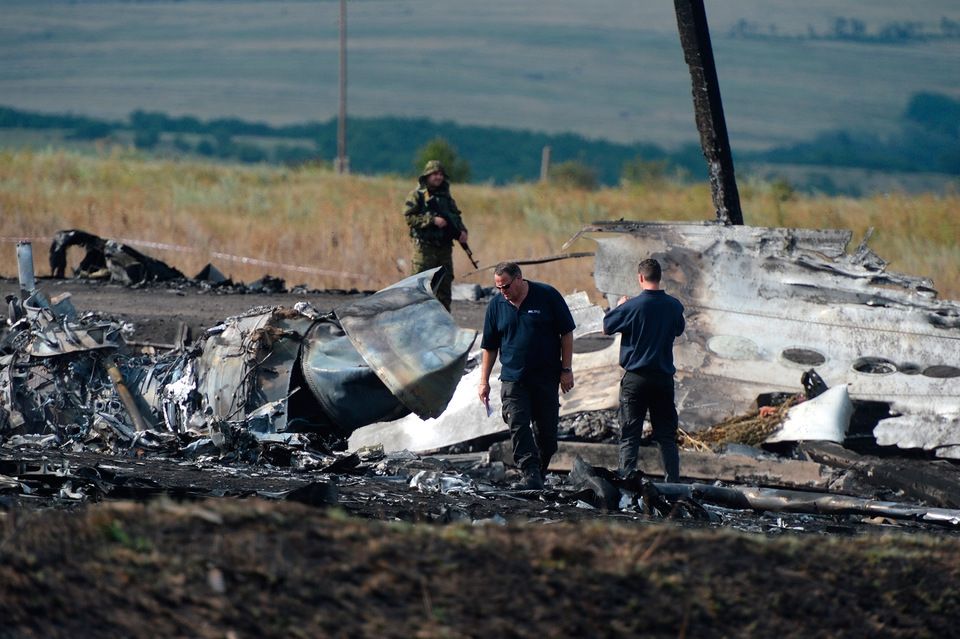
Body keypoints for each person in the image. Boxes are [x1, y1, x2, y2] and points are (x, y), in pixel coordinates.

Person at [478, 262, 576, 490]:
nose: (503, 292)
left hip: (545, 378)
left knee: (547, 437)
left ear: (520, 279)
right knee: (518, 423)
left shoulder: (547, 295)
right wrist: (483, 381)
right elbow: (490, 346)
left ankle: (538, 473)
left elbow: (567, 333)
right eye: (498, 288)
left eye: (506, 286)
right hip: (513, 379)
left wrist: (566, 369)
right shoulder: (496, 305)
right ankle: (529, 471)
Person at [602, 258, 685, 483]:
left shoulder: (632, 306)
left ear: (640, 278)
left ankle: (627, 481)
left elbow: (607, 326)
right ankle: (673, 484)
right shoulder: (675, 306)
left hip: (636, 378)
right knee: (666, 436)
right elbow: (679, 329)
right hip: (663, 378)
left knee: (630, 434)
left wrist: (619, 307)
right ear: (659, 277)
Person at [403, 160, 468, 311]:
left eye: (440, 174)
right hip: (424, 250)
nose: (438, 177)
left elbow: (455, 217)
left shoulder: (446, 198)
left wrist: (462, 232)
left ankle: (443, 324)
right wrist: (432, 220)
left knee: (444, 289)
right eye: (434, 174)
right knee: (419, 289)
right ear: (427, 176)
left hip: (444, 249)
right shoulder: (417, 195)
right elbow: (409, 217)